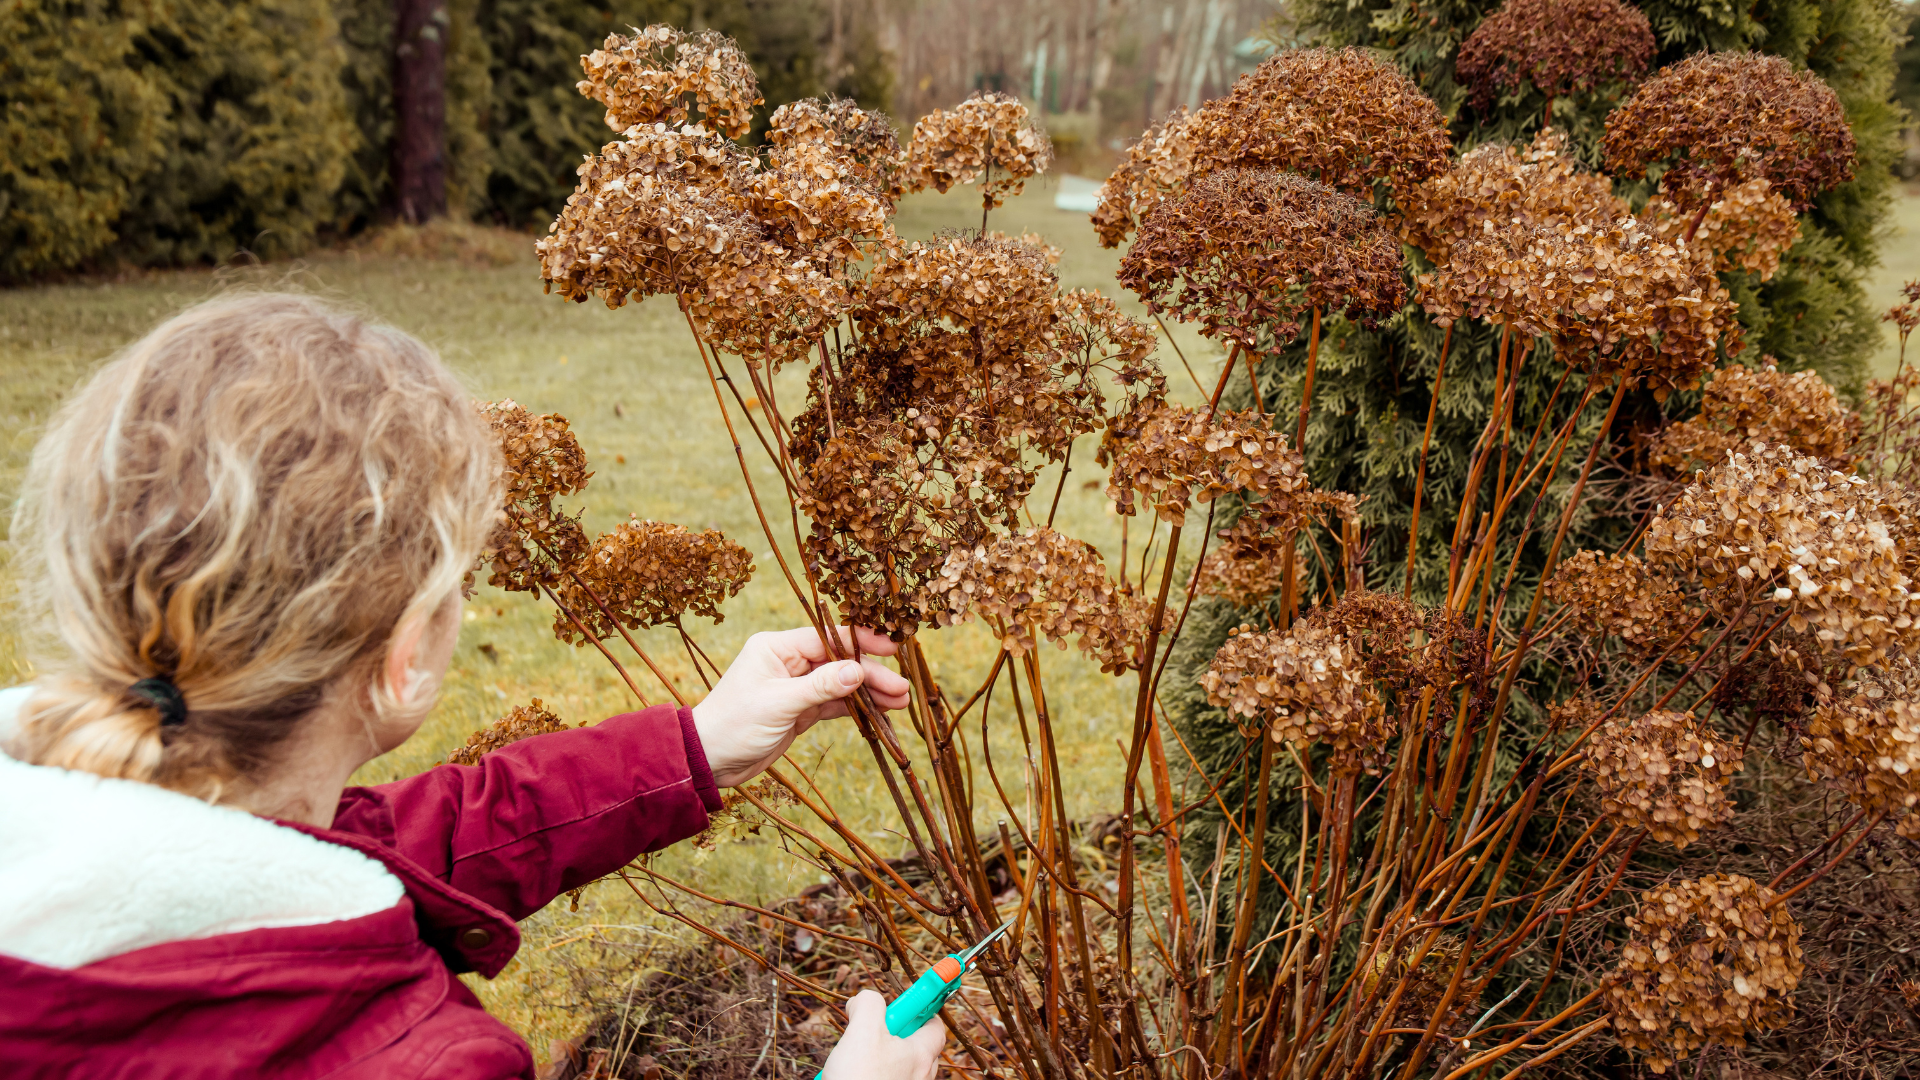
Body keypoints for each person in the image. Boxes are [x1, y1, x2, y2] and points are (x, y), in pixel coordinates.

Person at [0, 294, 948, 1079]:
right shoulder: (418, 1060)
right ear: (405, 653)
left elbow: (388, 848)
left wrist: (692, 746)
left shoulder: (82, 821)